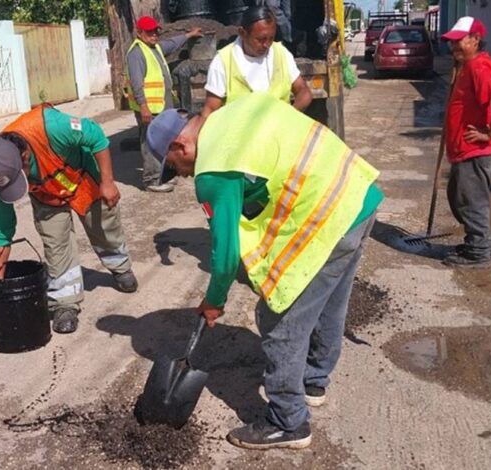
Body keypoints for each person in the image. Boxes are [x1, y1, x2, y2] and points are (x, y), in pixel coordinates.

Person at [146, 93, 383, 450]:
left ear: (180, 144)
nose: (181, 174)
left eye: (175, 166)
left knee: (277, 318)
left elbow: (225, 255)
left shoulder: (213, 168)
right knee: (330, 300)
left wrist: (214, 301)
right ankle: (314, 381)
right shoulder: (236, 112)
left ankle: (289, 423)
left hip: (331, 216)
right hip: (358, 196)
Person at [0, 104, 138, 335]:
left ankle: (120, 267)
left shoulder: (51, 127)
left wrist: (108, 181)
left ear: (24, 156)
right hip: (47, 197)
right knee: (56, 245)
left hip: (84, 179)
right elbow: (2, 228)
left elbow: (96, 135)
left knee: (104, 228)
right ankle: (65, 304)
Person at [441, 17, 491, 268]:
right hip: (463, 150)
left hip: (473, 150)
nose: (454, 47)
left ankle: (480, 251)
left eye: (459, 42)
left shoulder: (479, 67)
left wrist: (490, 133)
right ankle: (477, 243)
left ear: (475, 40)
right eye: (451, 43)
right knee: (460, 198)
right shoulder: (467, 65)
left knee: (472, 202)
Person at [125, 15, 202, 192]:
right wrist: (143, 106)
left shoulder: (155, 47)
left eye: (155, 31)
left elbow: (172, 44)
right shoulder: (137, 53)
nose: (154, 35)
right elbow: (137, 83)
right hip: (150, 109)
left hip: (162, 107)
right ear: (139, 32)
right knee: (150, 142)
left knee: (166, 141)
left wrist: (189, 35)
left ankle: (163, 175)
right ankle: (151, 180)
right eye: (149, 32)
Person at [201, 6, 312, 119]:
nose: (266, 45)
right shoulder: (223, 61)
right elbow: (211, 108)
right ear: (242, 33)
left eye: (271, 38)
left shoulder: (281, 54)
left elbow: (303, 92)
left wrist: (288, 117)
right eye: (260, 39)